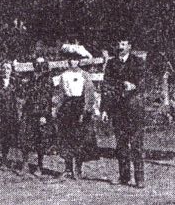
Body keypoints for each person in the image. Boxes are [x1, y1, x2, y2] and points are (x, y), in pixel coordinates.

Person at [101, 35, 147, 188]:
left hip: (134, 108)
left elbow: (143, 82)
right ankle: (124, 176)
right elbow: (106, 86)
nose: (121, 47)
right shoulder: (112, 63)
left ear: (129, 46)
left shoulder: (137, 62)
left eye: (124, 43)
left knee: (136, 144)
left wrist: (134, 86)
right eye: (119, 43)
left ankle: (139, 178)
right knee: (121, 144)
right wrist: (105, 109)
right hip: (117, 108)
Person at [53, 44, 100, 179]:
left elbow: (89, 93)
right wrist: (57, 109)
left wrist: (86, 110)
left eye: (75, 59)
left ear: (79, 61)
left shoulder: (84, 75)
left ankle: (78, 169)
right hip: (67, 107)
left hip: (80, 107)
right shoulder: (63, 76)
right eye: (70, 59)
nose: (72, 62)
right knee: (66, 137)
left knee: (80, 138)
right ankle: (68, 168)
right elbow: (60, 94)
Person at [17, 57, 55, 175]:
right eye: (37, 63)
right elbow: (24, 93)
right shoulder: (30, 78)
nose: (39, 66)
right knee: (25, 137)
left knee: (40, 139)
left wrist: (44, 115)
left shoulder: (48, 79)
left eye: (41, 64)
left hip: (41, 113)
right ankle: (25, 164)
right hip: (29, 111)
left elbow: (48, 98)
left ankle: (39, 165)